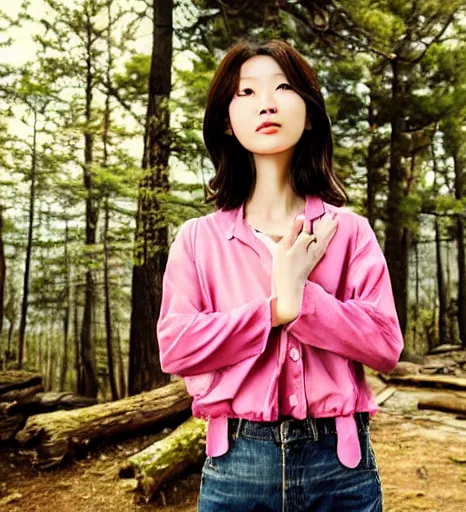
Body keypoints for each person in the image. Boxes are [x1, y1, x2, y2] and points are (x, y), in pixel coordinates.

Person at [156, 39, 404, 512]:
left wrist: (305, 300)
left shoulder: (349, 232)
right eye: (245, 92)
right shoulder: (197, 239)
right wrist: (277, 310)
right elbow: (175, 346)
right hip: (236, 467)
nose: (266, 103)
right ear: (226, 122)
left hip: (340, 465)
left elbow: (386, 345)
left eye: (284, 87)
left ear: (309, 114)